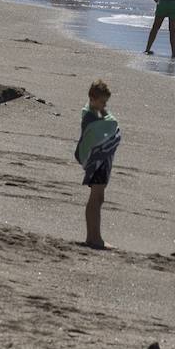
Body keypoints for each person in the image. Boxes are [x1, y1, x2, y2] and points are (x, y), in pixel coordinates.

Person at [77, 79, 120, 250]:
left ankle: (95, 236)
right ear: (92, 98)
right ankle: (94, 238)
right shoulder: (89, 116)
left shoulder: (97, 113)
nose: (104, 106)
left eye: (105, 103)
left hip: (101, 161)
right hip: (96, 161)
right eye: (102, 102)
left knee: (99, 198)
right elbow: (92, 136)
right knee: (96, 199)